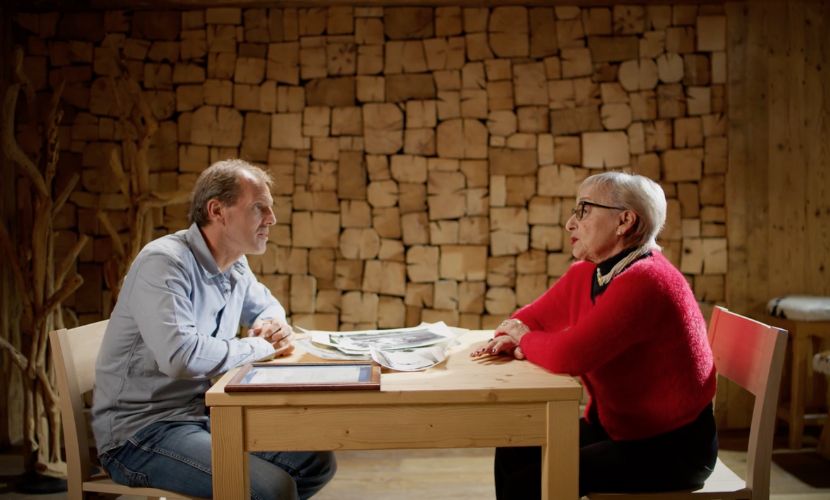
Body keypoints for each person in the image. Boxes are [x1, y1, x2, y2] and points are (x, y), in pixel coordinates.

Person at [92, 159, 336, 499]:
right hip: (141, 434)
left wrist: (272, 325)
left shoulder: (234, 262)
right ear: (217, 211)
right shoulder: (163, 262)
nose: (272, 219)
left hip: (204, 414)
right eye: (259, 208)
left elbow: (267, 307)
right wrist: (262, 347)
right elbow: (182, 357)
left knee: (316, 461)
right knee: (272, 489)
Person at [472, 171, 717, 497]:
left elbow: (569, 356)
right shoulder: (590, 272)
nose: (570, 224)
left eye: (583, 210)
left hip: (669, 447)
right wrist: (517, 334)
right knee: (514, 446)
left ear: (625, 221)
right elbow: (527, 318)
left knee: (532, 482)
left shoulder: (647, 280)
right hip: (618, 429)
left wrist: (525, 340)